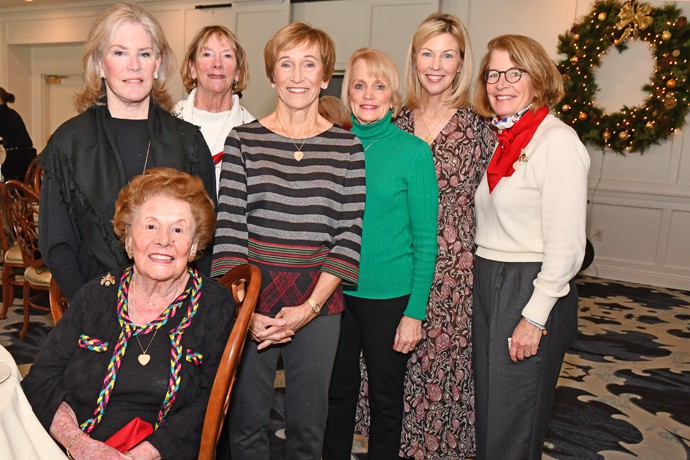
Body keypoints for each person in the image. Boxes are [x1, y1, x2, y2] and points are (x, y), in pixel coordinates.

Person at [212, 22, 366, 459]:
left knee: (307, 430)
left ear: (324, 76)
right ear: (272, 74)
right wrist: (245, 308)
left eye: (309, 64)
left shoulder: (347, 148)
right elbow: (230, 232)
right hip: (251, 300)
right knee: (245, 426)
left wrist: (308, 309)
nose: (297, 76)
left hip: (319, 304)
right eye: (286, 64)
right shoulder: (243, 141)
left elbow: (347, 237)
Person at [23, 167, 235, 460]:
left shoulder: (213, 304)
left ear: (195, 244)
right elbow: (41, 380)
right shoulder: (96, 295)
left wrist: (143, 455)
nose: (164, 240)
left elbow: (210, 400)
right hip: (78, 445)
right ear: (128, 240)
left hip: (161, 452)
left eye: (178, 229)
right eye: (150, 226)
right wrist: (82, 447)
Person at [38, 3, 216, 302]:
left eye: (144, 54)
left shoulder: (189, 142)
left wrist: (188, 308)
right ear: (99, 63)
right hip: (94, 304)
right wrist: (92, 309)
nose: (133, 66)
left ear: (156, 63)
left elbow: (208, 242)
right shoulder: (68, 143)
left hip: (177, 309)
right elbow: (57, 246)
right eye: (120, 52)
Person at [472, 34, 590, 459]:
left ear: (537, 80)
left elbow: (568, 244)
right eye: (493, 74)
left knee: (514, 417)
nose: (501, 83)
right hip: (488, 278)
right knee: (490, 408)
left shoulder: (557, 141)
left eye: (514, 73)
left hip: (529, 286)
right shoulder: (502, 139)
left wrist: (534, 317)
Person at [383, 13, 494, 459]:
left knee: (445, 378)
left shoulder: (478, 130)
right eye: (427, 53)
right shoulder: (394, 123)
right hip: (398, 266)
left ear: (461, 63)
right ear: (413, 59)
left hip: (454, 276)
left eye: (447, 55)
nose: (436, 64)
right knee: (395, 375)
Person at [323, 48, 438, 460]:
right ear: (347, 92)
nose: (368, 94)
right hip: (333, 294)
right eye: (359, 84)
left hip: (389, 299)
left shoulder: (413, 152)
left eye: (379, 85)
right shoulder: (332, 144)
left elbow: (427, 242)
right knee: (336, 394)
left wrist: (415, 312)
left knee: (386, 401)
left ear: (393, 94)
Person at [174, 25, 255, 192]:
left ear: (238, 72)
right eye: (207, 54)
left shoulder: (253, 133)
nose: (217, 64)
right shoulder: (169, 121)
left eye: (227, 56)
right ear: (193, 68)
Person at [0, 87, 36, 181]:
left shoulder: (2, 113)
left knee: (10, 185)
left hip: (17, 158)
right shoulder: (11, 113)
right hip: (26, 156)